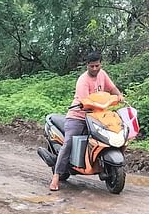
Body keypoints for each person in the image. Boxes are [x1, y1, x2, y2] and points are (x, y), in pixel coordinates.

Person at [49, 51, 125, 191]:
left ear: (100, 64)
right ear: (87, 66)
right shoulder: (83, 80)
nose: (95, 69)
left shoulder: (102, 74)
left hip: (97, 116)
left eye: (97, 66)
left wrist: (118, 95)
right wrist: (85, 105)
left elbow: (112, 88)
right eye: (92, 66)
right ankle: (56, 176)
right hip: (78, 116)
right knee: (69, 142)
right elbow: (85, 101)